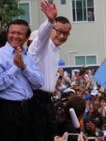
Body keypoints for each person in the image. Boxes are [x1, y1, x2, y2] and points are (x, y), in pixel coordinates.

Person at [0, 19, 44, 141]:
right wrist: (15, 67)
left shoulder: (28, 56)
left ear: (27, 37)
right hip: (6, 109)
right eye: (12, 32)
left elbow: (39, 82)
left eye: (19, 33)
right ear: (7, 33)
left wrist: (24, 67)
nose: (15, 36)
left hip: (27, 108)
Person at [28, 1, 71, 141]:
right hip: (35, 99)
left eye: (66, 33)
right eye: (59, 31)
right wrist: (50, 21)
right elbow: (42, 35)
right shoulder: (40, 45)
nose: (62, 36)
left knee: (52, 135)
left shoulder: (56, 50)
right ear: (52, 29)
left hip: (47, 99)